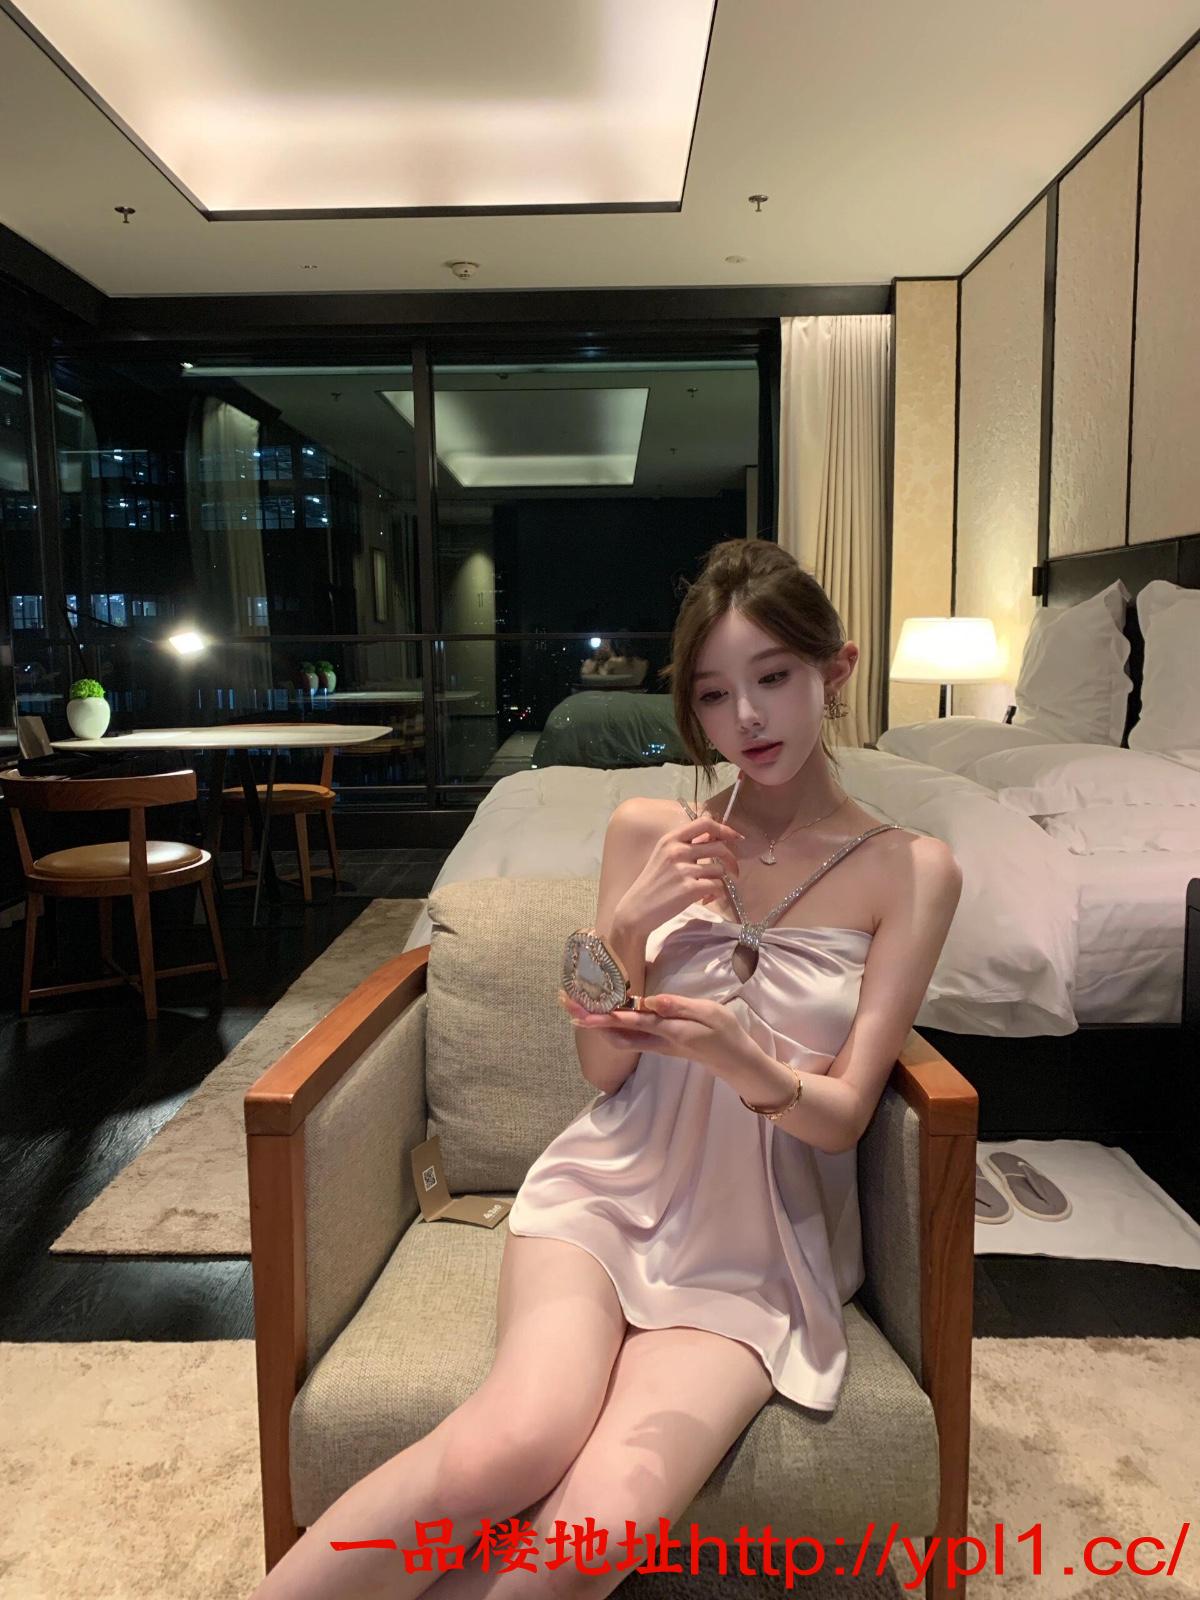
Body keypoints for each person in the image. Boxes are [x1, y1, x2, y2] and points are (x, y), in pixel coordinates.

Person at [249, 539, 961, 1600]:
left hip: (755, 1247)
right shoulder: (650, 831)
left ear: (837, 670)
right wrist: (628, 923)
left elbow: (848, 1114)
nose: (746, 718)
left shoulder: (911, 871)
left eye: (773, 677)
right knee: (507, 1447)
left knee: (588, 1545)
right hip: (606, 1193)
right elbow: (601, 1070)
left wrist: (739, 1055)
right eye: (713, 693)